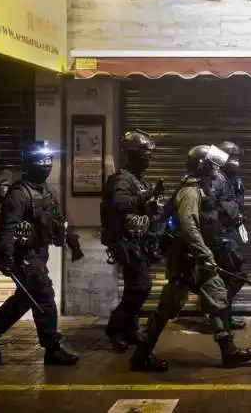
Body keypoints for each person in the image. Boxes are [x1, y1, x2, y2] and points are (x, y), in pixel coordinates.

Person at [130, 145, 251, 371]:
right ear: (201, 166)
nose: (216, 169)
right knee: (168, 308)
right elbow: (189, 227)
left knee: (217, 298)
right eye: (212, 164)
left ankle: (229, 352)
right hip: (187, 260)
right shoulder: (190, 191)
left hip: (197, 260)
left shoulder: (202, 188)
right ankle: (141, 355)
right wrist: (205, 254)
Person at [0, 141, 84, 366]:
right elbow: (8, 227)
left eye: (48, 161)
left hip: (39, 252)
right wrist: (7, 256)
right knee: (45, 297)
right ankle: (52, 347)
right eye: (40, 161)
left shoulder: (47, 191)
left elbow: (60, 220)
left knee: (22, 302)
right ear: (30, 164)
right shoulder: (19, 194)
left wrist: (73, 243)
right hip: (25, 257)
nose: (45, 165)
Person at [101, 130, 160, 351]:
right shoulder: (121, 179)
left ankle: (130, 329)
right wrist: (147, 195)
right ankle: (114, 328)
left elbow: (142, 207)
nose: (149, 159)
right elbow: (120, 203)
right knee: (141, 286)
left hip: (139, 241)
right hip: (125, 242)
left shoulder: (138, 179)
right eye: (145, 155)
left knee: (133, 287)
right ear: (133, 154)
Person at [210, 140, 248, 330]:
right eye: (233, 156)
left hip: (230, 233)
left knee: (229, 278)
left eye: (238, 156)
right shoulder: (216, 179)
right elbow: (210, 207)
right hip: (220, 237)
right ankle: (217, 315)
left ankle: (223, 316)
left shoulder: (234, 180)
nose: (236, 161)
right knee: (235, 275)